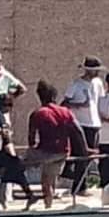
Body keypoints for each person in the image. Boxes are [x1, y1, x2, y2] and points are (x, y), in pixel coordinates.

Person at [25, 80, 78, 209]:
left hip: (45, 151)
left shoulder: (38, 113)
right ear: (54, 96)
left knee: (15, 166)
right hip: (63, 152)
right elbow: (77, 131)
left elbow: (31, 136)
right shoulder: (65, 111)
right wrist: (85, 149)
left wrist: (33, 150)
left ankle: (28, 192)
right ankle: (48, 204)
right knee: (48, 177)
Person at [62, 56, 105, 194]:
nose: (97, 73)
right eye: (95, 70)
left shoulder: (98, 83)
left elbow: (99, 100)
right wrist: (78, 105)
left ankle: (79, 182)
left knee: (90, 156)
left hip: (94, 123)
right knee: (82, 155)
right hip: (80, 123)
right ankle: (79, 186)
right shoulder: (76, 84)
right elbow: (64, 103)